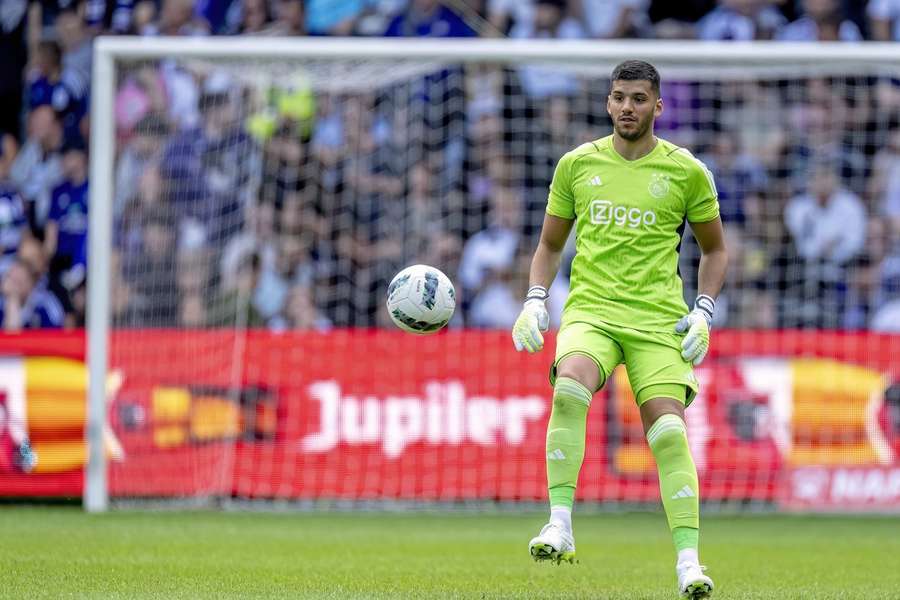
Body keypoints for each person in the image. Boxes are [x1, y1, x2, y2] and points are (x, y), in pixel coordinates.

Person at [511, 61, 727, 599]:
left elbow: (716, 249)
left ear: (658, 106)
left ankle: (688, 564)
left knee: (670, 433)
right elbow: (549, 246)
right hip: (591, 310)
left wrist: (703, 310)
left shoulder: (687, 172)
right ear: (608, 104)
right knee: (568, 390)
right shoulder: (577, 165)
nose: (626, 107)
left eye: (637, 98)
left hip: (656, 320)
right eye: (617, 98)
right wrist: (536, 300)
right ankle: (559, 524)